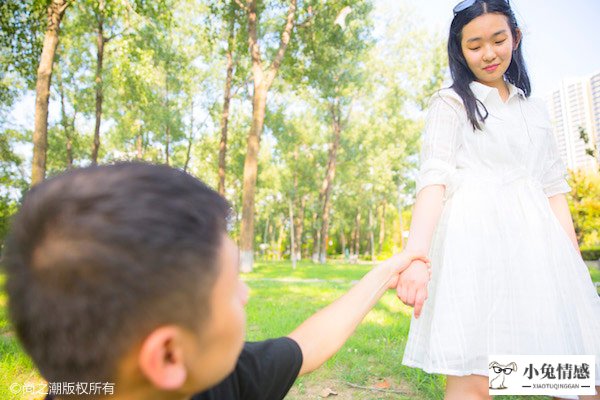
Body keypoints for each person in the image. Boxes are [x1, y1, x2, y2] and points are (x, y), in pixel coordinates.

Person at [3, 162, 428, 400]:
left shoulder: (206, 376)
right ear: (168, 356)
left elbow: (307, 346)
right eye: (230, 290)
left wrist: (386, 273)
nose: (245, 293)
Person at [394, 1, 600, 399]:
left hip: (538, 251)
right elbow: (434, 181)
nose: (488, 53)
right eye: (474, 45)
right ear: (459, 50)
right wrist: (416, 257)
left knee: (572, 374)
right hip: (475, 249)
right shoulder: (451, 103)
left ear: (515, 38)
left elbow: (553, 191)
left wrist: (573, 268)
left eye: (498, 39)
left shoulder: (534, 109)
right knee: (475, 376)